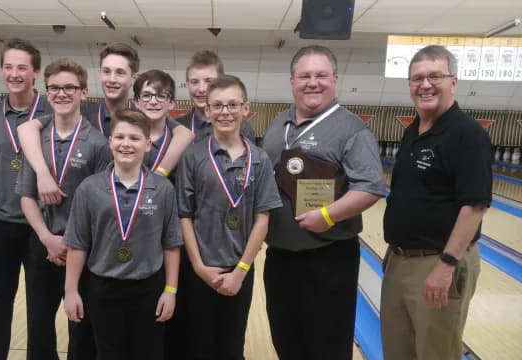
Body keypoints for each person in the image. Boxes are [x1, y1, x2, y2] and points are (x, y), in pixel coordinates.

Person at [261, 45, 386, 360]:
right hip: (280, 257)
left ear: (335, 79)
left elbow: (371, 186)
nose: (312, 82)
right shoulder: (279, 125)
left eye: (321, 75)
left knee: (327, 347)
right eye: (305, 75)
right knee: (286, 339)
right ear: (292, 81)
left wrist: (328, 215)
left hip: (328, 258)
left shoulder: (352, 129)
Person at [381, 45, 492, 360]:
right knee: (398, 352)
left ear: (453, 81)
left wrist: (446, 266)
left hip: (440, 262)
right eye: (417, 78)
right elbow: (411, 196)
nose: (425, 84)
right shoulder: (414, 131)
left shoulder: (467, 135)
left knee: (435, 353)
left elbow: (475, 206)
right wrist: (395, 247)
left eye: (435, 76)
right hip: (401, 260)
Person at [177, 75, 282, 360]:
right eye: (218, 106)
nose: (225, 112)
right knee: (196, 345)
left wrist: (240, 271)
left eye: (233, 105)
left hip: (240, 270)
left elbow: (263, 219)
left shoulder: (259, 159)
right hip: (198, 270)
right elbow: (184, 215)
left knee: (231, 346)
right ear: (207, 111)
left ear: (246, 109)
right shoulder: (192, 157)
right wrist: (198, 267)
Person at [63, 109, 182, 360]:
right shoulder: (89, 188)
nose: (126, 144)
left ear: (148, 144)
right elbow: (77, 244)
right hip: (102, 288)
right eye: (120, 137)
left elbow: (171, 244)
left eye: (135, 138)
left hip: (148, 289)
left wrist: (170, 291)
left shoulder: (163, 189)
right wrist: (71, 291)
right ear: (110, 141)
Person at [17, 58, 112, 360]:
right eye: (54, 88)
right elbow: (26, 196)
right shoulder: (37, 140)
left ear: (84, 92)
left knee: (80, 325)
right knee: (39, 324)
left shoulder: (98, 143)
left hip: (83, 250)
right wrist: (46, 237)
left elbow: (101, 205)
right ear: (46, 92)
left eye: (69, 87)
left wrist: (72, 242)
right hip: (42, 245)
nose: (62, 94)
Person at [18, 43, 192, 204]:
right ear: (99, 73)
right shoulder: (82, 111)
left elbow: (184, 134)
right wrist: (42, 173)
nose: (112, 79)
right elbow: (27, 128)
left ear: (134, 77)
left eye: (120, 72)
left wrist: (160, 174)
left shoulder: (143, 116)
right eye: (107, 71)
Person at [0, 38, 50, 359]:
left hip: (40, 225)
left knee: (40, 302)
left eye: (22, 67)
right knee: (0, 297)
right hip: (0, 222)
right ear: (1, 71)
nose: (14, 74)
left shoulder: (51, 111)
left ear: (36, 73)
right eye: (8, 67)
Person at [176, 50, 256, 143]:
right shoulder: (177, 127)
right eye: (194, 82)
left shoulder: (243, 127)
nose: (201, 89)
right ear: (188, 85)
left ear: (221, 82)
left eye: (209, 81)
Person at [131, 69, 185, 178]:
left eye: (161, 96)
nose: (153, 101)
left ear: (171, 103)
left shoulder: (181, 145)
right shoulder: (126, 140)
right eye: (146, 95)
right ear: (136, 102)